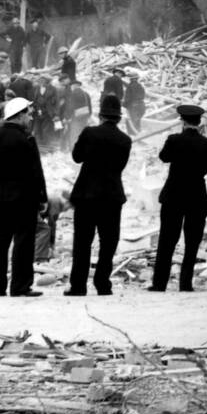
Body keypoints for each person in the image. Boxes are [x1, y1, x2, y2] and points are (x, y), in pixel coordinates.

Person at [0, 97, 47, 297]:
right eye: (29, 114)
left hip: (2, 198)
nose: (31, 118)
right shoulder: (27, 139)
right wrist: (42, 198)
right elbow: (36, 172)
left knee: (1, 240)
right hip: (26, 197)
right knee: (23, 241)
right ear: (19, 115)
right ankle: (20, 286)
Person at [66, 95, 132, 296]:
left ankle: (78, 286)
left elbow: (77, 157)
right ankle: (103, 284)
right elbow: (120, 167)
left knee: (82, 243)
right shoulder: (125, 140)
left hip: (87, 196)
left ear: (101, 115)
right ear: (118, 117)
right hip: (112, 196)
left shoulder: (89, 133)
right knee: (109, 242)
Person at [150, 104, 207, 293]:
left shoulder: (174, 140)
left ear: (182, 121)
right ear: (199, 122)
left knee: (167, 240)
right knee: (192, 241)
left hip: (174, 195)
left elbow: (163, 157)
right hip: (197, 196)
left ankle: (160, 283)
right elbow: (205, 169)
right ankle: (186, 284)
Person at [59, 74, 91, 153]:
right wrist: (88, 116)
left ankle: (74, 151)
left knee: (74, 134)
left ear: (73, 86)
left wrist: (67, 118)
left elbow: (71, 107)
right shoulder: (86, 94)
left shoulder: (73, 94)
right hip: (84, 117)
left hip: (75, 118)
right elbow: (90, 108)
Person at [33, 191, 69, 262]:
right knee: (45, 230)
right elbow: (52, 224)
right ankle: (40, 258)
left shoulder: (56, 202)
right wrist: (52, 243)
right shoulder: (56, 202)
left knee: (40, 230)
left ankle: (36, 254)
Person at [32, 74, 58, 151]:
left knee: (47, 130)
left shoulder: (53, 89)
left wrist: (56, 114)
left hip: (48, 112)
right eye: (40, 80)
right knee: (37, 129)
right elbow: (34, 99)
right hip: (38, 111)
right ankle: (38, 146)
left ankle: (47, 146)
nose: (41, 81)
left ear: (47, 81)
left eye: (43, 80)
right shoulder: (36, 88)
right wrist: (35, 108)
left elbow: (56, 102)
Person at [123, 70, 146, 136]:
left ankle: (133, 136)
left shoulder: (130, 87)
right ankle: (138, 133)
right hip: (141, 106)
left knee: (130, 122)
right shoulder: (140, 86)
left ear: (131, 79)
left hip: (133, 107)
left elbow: (128, 98)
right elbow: (143, 96)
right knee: (137, 121)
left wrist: (123, 104)